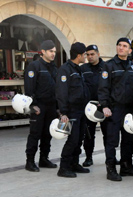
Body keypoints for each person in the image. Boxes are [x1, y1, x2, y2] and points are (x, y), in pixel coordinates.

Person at [98, 37, 133, 181]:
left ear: (130, 50)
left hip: (129, 108)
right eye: (119, 45)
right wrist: (104, 106)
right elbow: (103, 87)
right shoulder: (109, 66)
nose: (121, 48)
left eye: (124, 46)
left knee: (129, 138)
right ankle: (111, 169)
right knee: (112, 139)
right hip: (114, 108)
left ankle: (126, 165)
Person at [55, 42, 90, 178]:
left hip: (81, 110)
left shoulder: (78, 69)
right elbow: (61, 92)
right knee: (73, 140)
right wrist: (63, 112)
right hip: (71, 111)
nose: (86, 57)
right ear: (79, 55)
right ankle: (63, 167)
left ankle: (74, 164)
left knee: (79, 138)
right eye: (85, 54)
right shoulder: (65, 70)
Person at [24, 40, 58, 172]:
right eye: (51, 51)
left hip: (51, 106)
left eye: (54, 52)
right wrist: (33, 104)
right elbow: (29, 87)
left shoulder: (54, 68)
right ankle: (30, 161)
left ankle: (44, 159)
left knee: (47, 134)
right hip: (39, 106)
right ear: (43, 51)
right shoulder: (34, 66)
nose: (53, 54)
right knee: (35, 134)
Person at [81, 44, 106, 167]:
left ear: (98, 54)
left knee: (108, 133)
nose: (90, 57)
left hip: (104, 105)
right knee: (89, 134)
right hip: (89, 107)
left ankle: (109, 157)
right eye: (88, 55)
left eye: (92, 54)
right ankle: (89, 157)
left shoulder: (106, 67)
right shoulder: (83, 68)